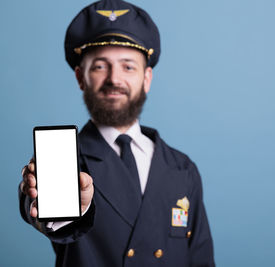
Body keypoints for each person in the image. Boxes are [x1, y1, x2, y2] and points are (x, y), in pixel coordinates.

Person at [19, 0, 216, 266]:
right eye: (100, 66)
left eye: (128, 66)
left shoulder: (183, 168)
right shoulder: (60, 162)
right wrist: (68, 209)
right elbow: (46, 216)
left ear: (146, 79)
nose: (114, 79)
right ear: (80, 77)